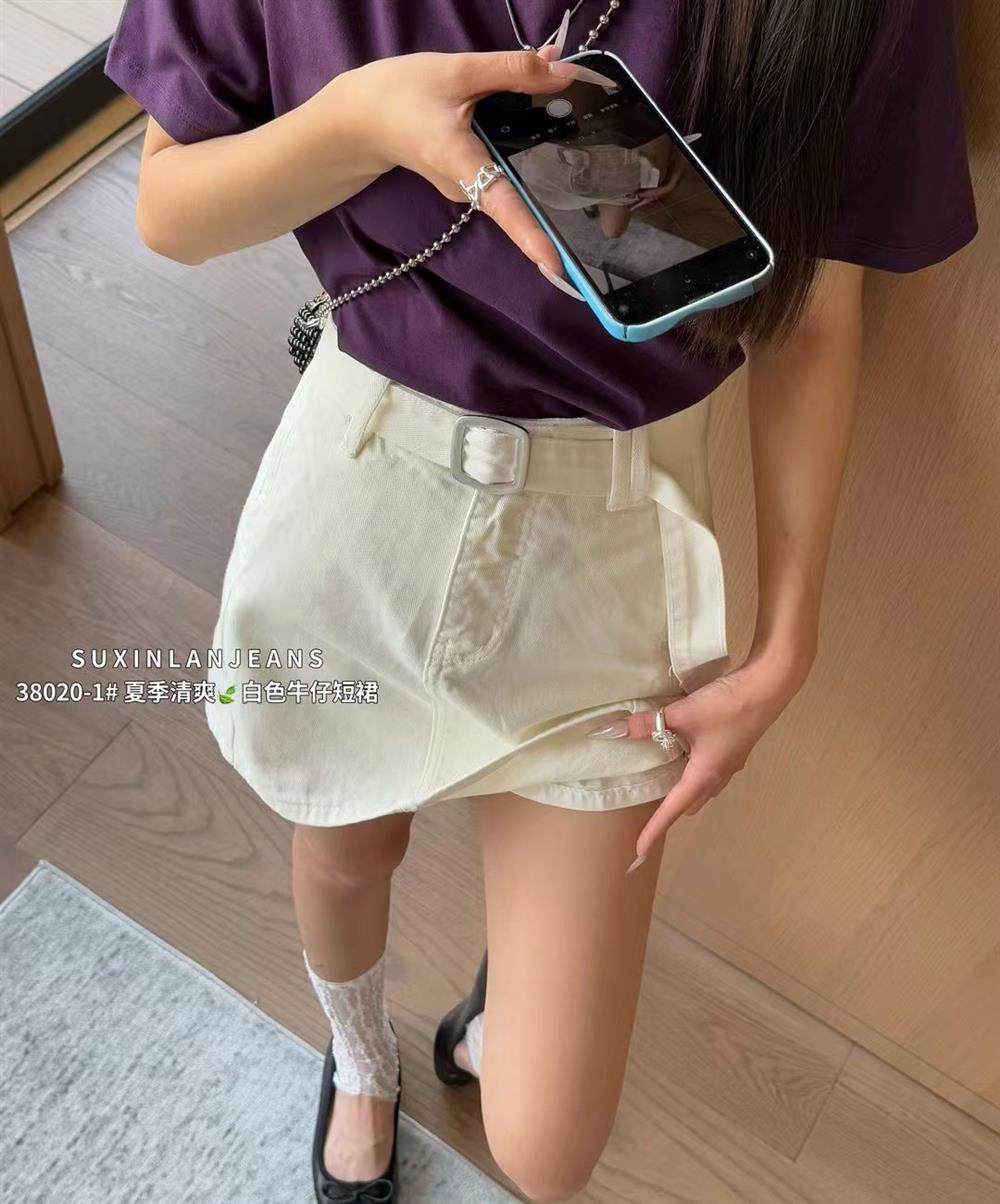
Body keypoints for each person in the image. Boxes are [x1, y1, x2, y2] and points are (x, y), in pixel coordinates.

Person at [104, 2, 977, 1200]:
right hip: (365, 477)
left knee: (547, 1149)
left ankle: (484, 1022)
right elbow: (169, 205)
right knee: (344, 849)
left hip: (611, 526)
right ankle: (360, 1057)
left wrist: (787, 642)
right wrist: (361, 124)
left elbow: (811, 314)